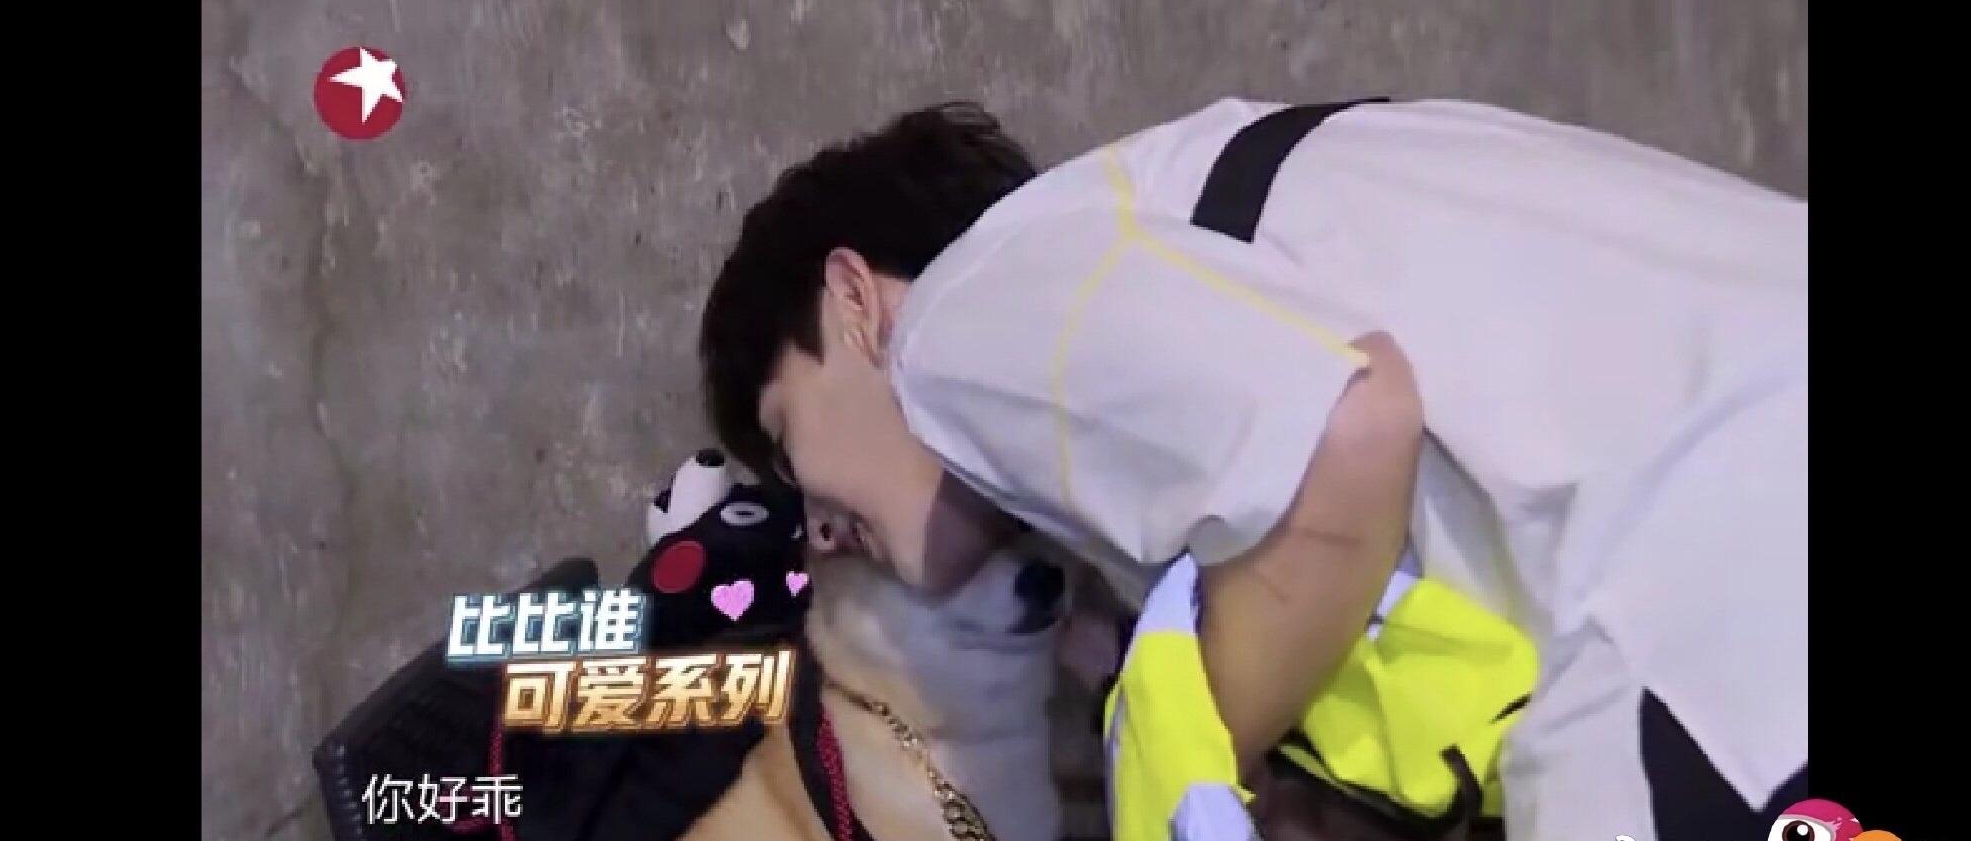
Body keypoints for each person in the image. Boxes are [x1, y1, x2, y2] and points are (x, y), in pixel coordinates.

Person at [698, 97, 1806, 840]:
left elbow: (1345, 427)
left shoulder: (958, 317)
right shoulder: (1194, 213)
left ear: (854, 299)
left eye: (788, 441)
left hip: (1709, 624)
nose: (821, 525)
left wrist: (1191, 751)